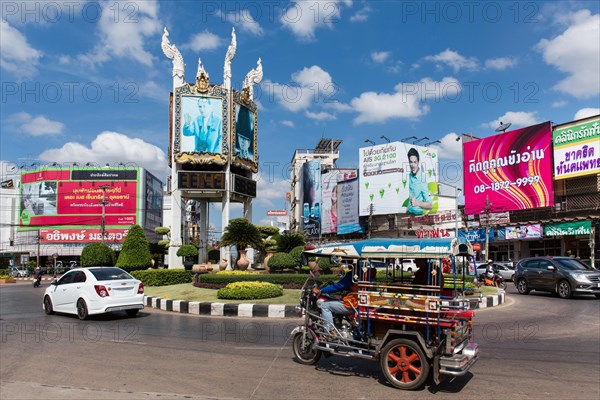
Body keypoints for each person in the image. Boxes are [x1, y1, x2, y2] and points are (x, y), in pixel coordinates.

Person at [313, 265, 375, 330]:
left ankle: (330, 330)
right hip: (361, 302)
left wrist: (321, 290)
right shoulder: (364, 274)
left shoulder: (354, 274)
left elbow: (340, 286)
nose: (348, 264)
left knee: (324, 305)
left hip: (353, 304)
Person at [407, 147, 432, 215]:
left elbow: (430, 205)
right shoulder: (409, 176)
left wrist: (418, 203)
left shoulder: (422, 180)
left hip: (418, 217)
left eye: (415, 162)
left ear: (418, 162)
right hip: (408, 214)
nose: (412, 165)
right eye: (411, 162)